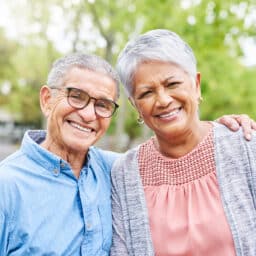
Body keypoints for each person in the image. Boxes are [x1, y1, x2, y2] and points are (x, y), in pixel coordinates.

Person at [0, 53, 254, 255]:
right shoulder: (7, 186)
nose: (89, 114)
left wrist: (220, 132)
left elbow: (176, 152)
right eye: (76, 96)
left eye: (102, 104)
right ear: (46, 100)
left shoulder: (118, 170)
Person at [110, 29, 256, 256]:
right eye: (147, 93)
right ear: (134, 105)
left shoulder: (245, 147)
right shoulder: (125, 173)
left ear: (196, 85)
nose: (163, 100)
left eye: (172, 84)